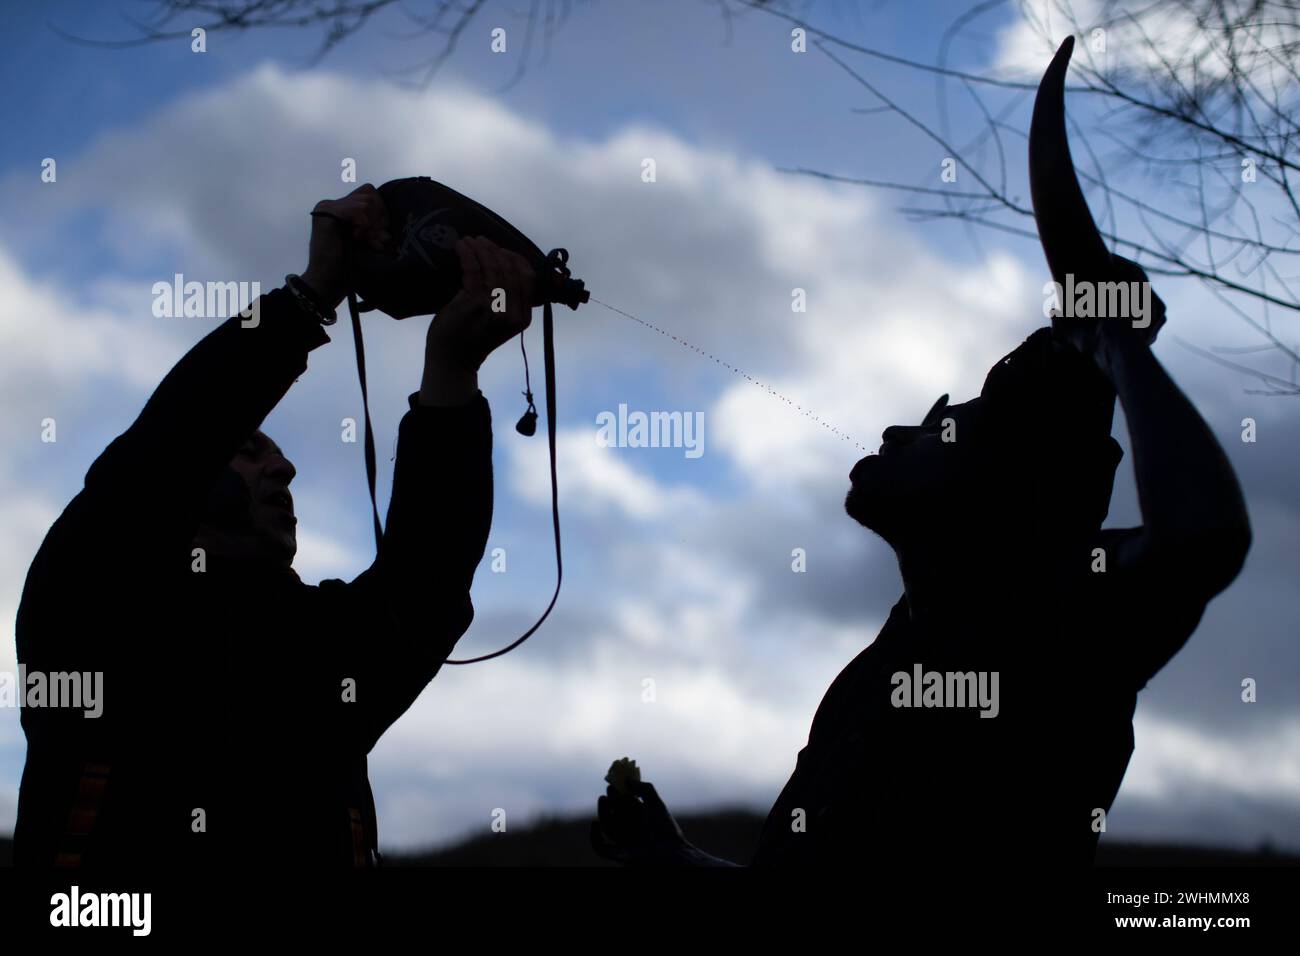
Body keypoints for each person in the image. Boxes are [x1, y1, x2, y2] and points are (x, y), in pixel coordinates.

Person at [591, 257, 1251, 866]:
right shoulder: (881, 661)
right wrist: (673, 857)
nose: (895, 433)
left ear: (1007, 491)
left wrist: (1113, 344)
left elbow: (1201, 538)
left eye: (945, 427)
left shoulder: (1063, 620)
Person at [13, 184, 536, 866]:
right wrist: (311, 294)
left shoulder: (325, 644)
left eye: (283, 459)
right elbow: (168, 445)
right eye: (249, 450)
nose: (284, 471)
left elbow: (427, 582)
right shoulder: (92, 597)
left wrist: (452, 375)